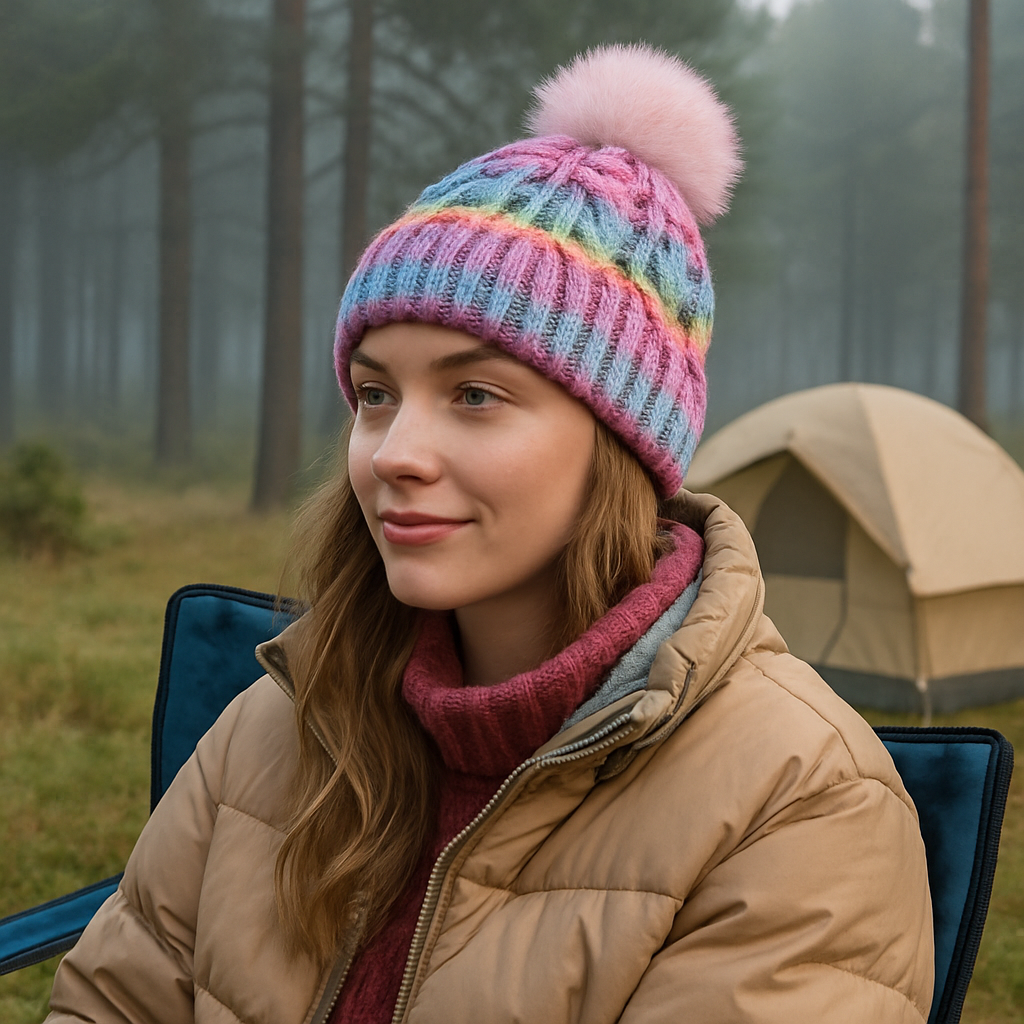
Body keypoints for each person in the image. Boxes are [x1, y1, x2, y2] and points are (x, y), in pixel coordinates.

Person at [46, 44, 933, 1024]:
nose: (393, 452)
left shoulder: (800, 804)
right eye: (375, 394)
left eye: (474, 394)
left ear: (618, 441)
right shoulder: (274, 728)